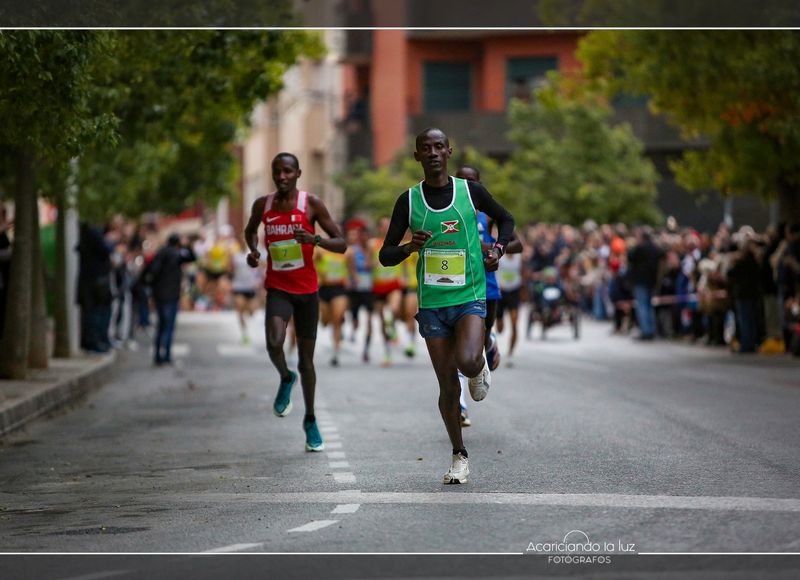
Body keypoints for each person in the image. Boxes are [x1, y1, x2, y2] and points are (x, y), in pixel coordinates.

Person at [379, 128, 515, 484]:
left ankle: (479, 364)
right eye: (426, 148)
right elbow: (384, 255)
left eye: (439, 147)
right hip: (432, 303)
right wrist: (409, 246)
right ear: (417, 156)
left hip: (469, 294)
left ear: (449, 151)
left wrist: (498, 249)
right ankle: (459, 455)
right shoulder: (408, 201)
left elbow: (507, 218)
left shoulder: (469, 192)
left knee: (469, 361)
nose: (434, 153)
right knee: (446, 386)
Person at [243, 152, 346, 452]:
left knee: (307, 361)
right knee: (274, 343)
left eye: (288, 171)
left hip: (307, 292)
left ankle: (310, 420)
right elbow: (250, 231)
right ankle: (285, 377)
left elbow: (341, 243)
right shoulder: (263, 204)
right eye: (277, 172)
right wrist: (253, 252)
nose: (282, 176)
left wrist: (313, 240)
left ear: (298, 173)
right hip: (278, 287)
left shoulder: (311, 204)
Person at [454, 166, 523, 427]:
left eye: (471, 180)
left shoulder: (487, 213)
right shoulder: (448, 210)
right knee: (457, 351)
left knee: (478, 345)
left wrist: (493, 248)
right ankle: (460, 406)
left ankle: (490, 340)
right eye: (461, 180)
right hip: (457, 286)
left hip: (487, 287)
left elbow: (517, 244)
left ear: (479, 184)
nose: (466, 184)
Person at [145, 233, 196, 365]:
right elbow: (192, 257)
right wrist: (187, 245)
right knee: (169, 326)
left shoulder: (160, 253)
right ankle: (166, 355)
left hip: (159, 293)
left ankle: (157, 355)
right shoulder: (177, 254)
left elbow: (152, 272)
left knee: (160, 325)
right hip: (171, 294)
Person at [371, 217, 405, 366]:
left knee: (393, 310)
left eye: (388, 226)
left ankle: (393, 328)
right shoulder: (372, 244)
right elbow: (364, 260)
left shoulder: (399, 244)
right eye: (383, 226)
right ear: (380, 228)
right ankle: (387, 353)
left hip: (394, 285)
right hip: (378, 287)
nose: (386, 228)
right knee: (382, 323)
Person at [627, 227, 665, 341]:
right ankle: (651, 329)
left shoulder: (639, 248)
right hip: (652, 281)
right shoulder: (655, 248)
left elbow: (630, 257)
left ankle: (646, 330)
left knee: (642, 306)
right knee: (650, 306)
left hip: (640, 281)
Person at [315, 244, 350, 366]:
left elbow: (351, 269)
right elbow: (313, 265)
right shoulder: (320, 251)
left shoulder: (346, 252)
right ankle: (335, 327)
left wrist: (350, 280)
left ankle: (335, 353)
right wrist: (319, 276)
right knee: (325, 322)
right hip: (324, 289)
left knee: (337, 319)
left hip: (339, 289)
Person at [345, 223, 374, 362]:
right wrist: (354, 277)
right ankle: (354, 329)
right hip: (356, 289)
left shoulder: (372, 249)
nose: (364, 238)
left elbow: (377, 265)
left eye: (366, 236)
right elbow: (350, 268)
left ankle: (366, 349)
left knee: (369, 319)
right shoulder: (352, 250)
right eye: (361, 236)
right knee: (355, 319)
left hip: (369, 289)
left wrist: (371, 261)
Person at [231, 243, 264, 344]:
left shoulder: (254, 253)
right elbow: (231, 270)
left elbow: (261, 267)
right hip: (239, 286)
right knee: (240, 308)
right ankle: (244, 333)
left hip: (251, 286)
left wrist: (259, 280)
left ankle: (247, 318)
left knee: (251, 312)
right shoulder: (235, 255)